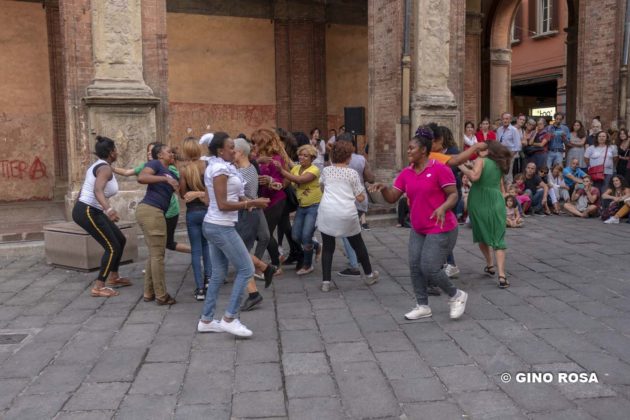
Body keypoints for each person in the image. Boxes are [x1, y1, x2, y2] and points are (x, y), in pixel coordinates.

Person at [369, 126, 467, 320]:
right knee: (415, 265)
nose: (408, 151)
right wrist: (384, 188)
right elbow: (392, 198)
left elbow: (454, 195)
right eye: (408, 148)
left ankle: (457, 295)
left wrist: (443, 208)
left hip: (441, 227)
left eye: (411, 148)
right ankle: (422, 305)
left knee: (429, 267)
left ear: (423, 150)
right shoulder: (406, 173)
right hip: (419, 227)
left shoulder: (440, 169)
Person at [197, 132, 270, 337]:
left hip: (216, 225)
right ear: (220, 151)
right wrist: (251, 203)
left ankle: (207, 319)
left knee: (219, 273)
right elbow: (221, 204)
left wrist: (246, 200)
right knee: (246, 269)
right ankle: (230, 318)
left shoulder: (221, 166)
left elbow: (224, 197)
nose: (234, 150)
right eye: (231, 147)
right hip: (220, 226)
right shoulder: (219, 169)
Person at [316, 140, 379, 292]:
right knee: (358, 244)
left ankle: (326, 282)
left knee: (328, 247)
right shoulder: (352, 174)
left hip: (327, 211)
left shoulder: (326, 170)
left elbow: (322, 187)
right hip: (346, 213)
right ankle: (370, 275)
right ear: (348, 157)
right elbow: (360, 197)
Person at [72, 136, 129, 298]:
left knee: (120, 239)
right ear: (111, 153)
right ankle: (99, 286)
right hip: (88, 211)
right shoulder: (104, 169)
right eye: (115, 149)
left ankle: (114, 277)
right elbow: (97, 191)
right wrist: (109, 209)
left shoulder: (100, 166)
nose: (117, 152)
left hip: (90, 210)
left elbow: (87, 188)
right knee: (112, 247)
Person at [113, 142, 191, 254]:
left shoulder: (170, 169)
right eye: (148, 151)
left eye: (152, 151)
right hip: (156, 209)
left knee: (164, 243)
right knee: (157, 245)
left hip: (170, 209)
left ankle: (193, 251)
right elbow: (127, 172)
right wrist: (110, 168)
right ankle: (155, 264)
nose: (149, 153)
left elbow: (179, 189)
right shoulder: (149, 166)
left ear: (159, 154)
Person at [459, 140, 513, 288]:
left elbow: (475, 177)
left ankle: (490, 264)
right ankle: (502, 275)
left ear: (488, 150)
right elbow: (497, 182)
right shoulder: (500, 164)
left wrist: (461, 166)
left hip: (478, 199)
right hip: (496, 199)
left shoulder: (481, 160)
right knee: (498, 236)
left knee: (481, 232)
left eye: (481, 148)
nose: (478, 150)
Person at [233, 138, 277, 311]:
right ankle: (265, 269)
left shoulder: (242, 172)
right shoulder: (250, 167)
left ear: (240, 152)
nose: (230, 154)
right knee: (239, 253)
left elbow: (238, 195)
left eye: (233, 151)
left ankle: (253, 293)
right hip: (248, 211)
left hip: (245, 213)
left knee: (240, 254)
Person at [136, 143, 179, 305]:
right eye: (169, 152)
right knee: (158, 256)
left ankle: (149, 292)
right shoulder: (155, 164)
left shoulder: (170, 170)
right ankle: (161, 295)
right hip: (151, 211)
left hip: (152, 212)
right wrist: (165, 179)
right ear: (160, 155)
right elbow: (142, 177)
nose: (172, 154)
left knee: (154, 254)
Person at [251, 128, 296, 274]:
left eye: (255, 143)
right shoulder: (257, 157)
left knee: (265, 234)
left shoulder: (276, 158)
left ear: (263, 143)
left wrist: (270, 180)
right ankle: (283, 258)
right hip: (263, 199)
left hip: (275, 200)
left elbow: (281, 180)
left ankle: (276, 264)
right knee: (266, 233)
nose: (253, 146)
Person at [273, 144, 322, 275]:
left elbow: (300, 179)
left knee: (306, 235)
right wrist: (275, 185)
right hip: (302, 207)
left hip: (314, 206)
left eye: (306, 156)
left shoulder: (314, 170)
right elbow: (286, 182)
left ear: (312, 158)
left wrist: (282, 171)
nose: (302, 157)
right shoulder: (296, 169)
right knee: (295, 236)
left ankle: (307, 265)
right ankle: (316, 246)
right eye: (301, 155)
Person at [333, 133, 376, 277]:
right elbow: (370, 178)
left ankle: (354, 265)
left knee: (347, 233)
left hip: (344, 201)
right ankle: (359, 259)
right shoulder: (360, 159)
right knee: (353, 232)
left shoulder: (334, 162)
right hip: (359, 200)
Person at [179, 138, 211, 301]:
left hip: (192, 212)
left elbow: (183, 194)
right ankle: (209, 280)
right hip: (207, 211)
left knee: (196, 250)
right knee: (207, 247)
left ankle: (199, 288)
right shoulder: (206, 166)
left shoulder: (184, 169)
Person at [496, 112, 521, 183]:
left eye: (507, 119)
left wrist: (510, 156)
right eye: (503, 119)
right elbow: (497, 143)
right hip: (500, 155)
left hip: (509, 154)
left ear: (510, 120)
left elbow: (518, 146)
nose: (505, 120)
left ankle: (509, 192)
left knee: (507, 174)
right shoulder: (499, 129)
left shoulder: (514, 130)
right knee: (500, 174)